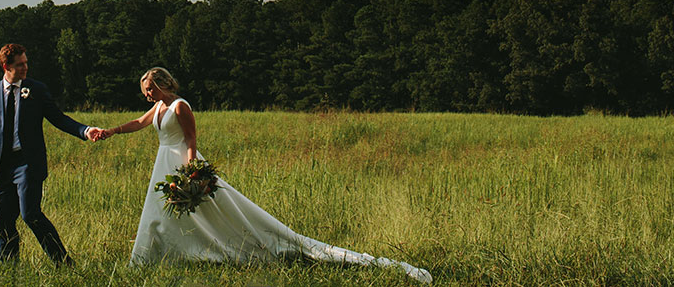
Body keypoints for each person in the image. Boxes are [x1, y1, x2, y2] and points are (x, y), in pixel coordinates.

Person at [90, 67, 431, 282]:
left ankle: (233, 248)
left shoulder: (180, 106)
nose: (146, 94)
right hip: (163, 162)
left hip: (180, 160)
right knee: (158, 212)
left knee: (216, 210)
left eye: (149, 89)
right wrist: (111, 131)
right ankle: (152, 258)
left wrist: (191, 171)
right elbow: (139, 122)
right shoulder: (160, 107)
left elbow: (192, 139)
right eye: (144, 90)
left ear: (162, 85)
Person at [0, 42, 101, 264]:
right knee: (2, 220)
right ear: (5, 66)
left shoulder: (36, 90)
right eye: (20, 65)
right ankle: (10, 269)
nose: (25, 68)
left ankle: (63, 262)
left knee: (30, 214)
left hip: (27, 163)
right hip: (2, 166)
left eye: (26, 63)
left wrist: (85, 131)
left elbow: (58, 118)